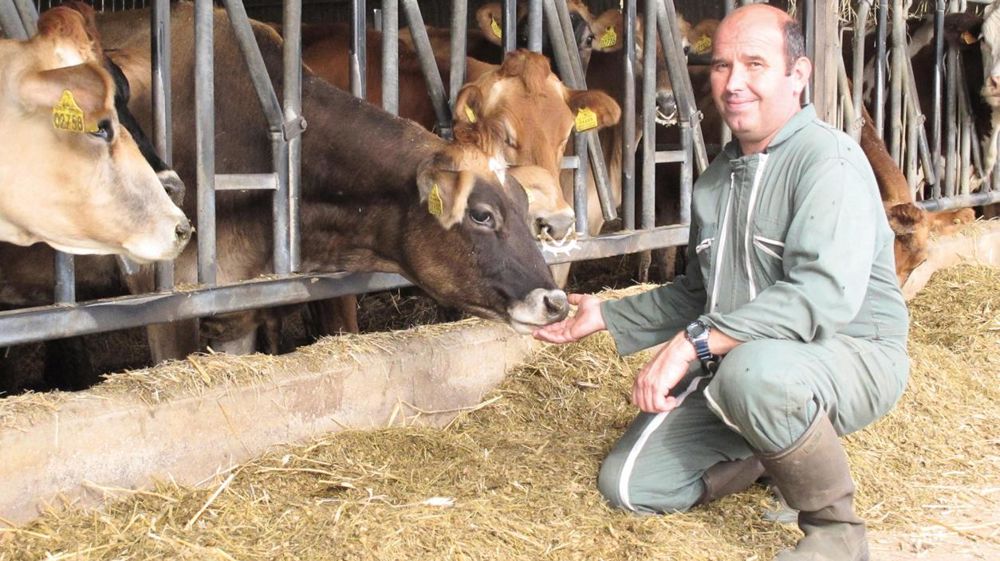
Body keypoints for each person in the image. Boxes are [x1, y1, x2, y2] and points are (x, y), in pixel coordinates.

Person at [534, 4, 909, 561]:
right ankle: (773, 450)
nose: (734, 83)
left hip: (850, 353)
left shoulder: (828, 161)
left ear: (798, 74)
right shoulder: (715, 181)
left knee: (755, 377)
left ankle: (837, 535)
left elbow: (820, 297)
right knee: (632, 485)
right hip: (745, 365)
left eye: (755, 64)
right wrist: (609, 315)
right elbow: (696, 292)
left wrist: (692, 344)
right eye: (721, 66)